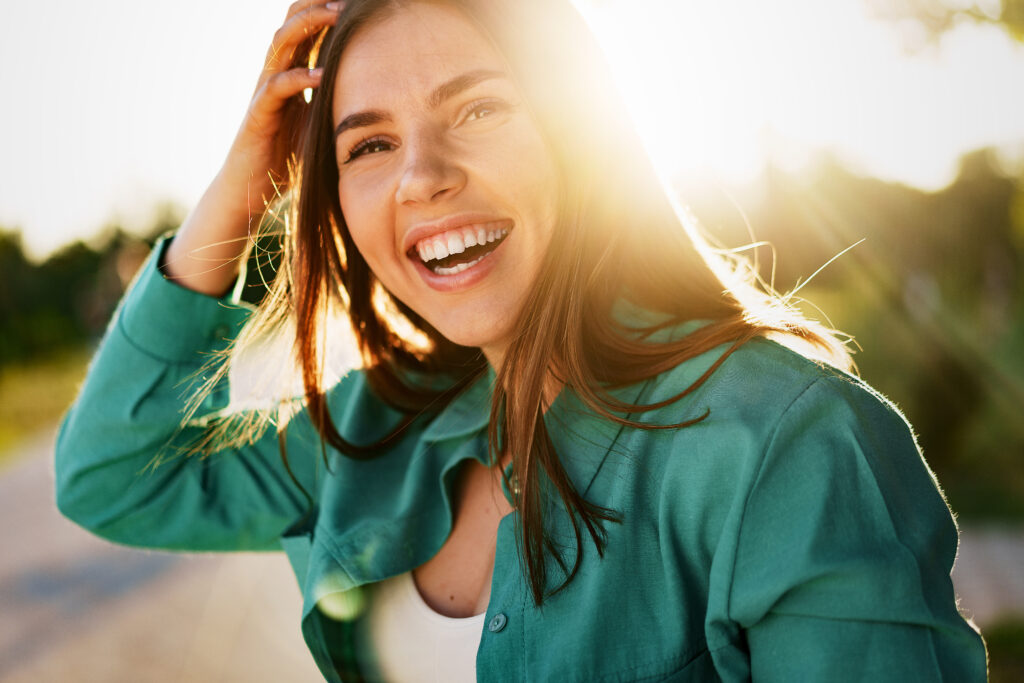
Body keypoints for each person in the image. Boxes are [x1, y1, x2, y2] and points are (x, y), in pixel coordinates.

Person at [55, 0, 988, 680]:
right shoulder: (368, 432)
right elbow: (112, 476)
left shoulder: (792, 446)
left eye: (477, 109)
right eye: (367, 145)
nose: (422, 176)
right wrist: (239, 183)